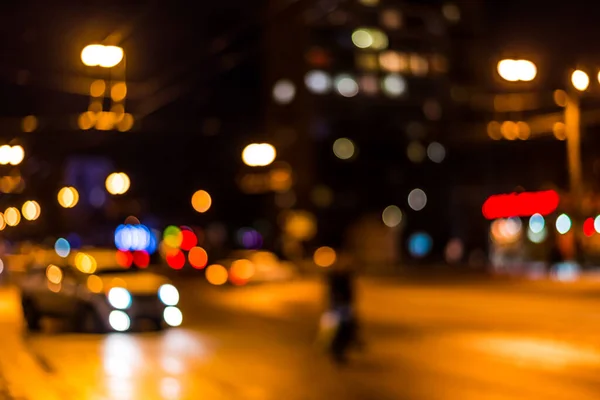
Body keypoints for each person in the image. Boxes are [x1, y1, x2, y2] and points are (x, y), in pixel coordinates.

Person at [325, 252, 360, 364]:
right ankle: (337, 351)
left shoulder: (344, 275)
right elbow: (334, 293)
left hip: (344, 306)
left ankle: (342, 348)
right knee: (341, 329)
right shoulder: (337, 277)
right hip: (340, 306)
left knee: (346, 327)